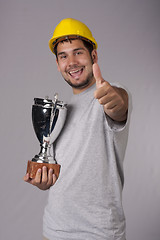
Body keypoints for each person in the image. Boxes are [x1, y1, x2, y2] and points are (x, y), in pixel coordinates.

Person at [24, 18, 129, 240]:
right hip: (54, 230)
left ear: (94, 56)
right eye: (63, 56)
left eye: (78, 52)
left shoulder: (108, 95)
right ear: (57, 64)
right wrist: (45, 180)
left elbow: (119, 105)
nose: (71, 62)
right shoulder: (59, 112)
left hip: (99, 233)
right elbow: (63, 173)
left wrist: (115, 100)